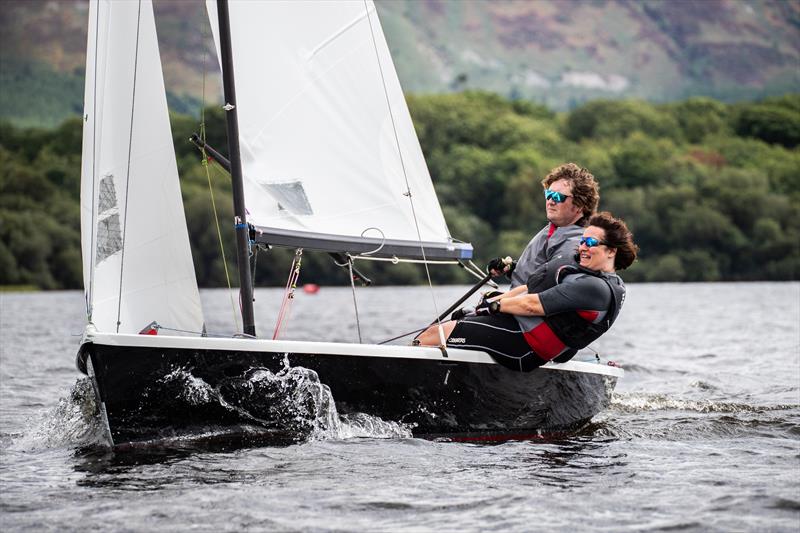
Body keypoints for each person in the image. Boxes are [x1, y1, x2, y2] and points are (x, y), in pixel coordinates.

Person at [416, 212, 638, 371]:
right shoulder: (583, 273)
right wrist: (496, 300)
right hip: (520, 331)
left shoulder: (594, 288)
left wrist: (494, 306)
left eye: (590, 242)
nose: (582, 247)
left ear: (611, 252)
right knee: (459, 318)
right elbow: (531, 288)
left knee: (434, 335)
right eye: (581, 241)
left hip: (524, 346)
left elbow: (532, 304)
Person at [483, 162, 600, 308]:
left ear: (579, 205)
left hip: (526, 316)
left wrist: (497, 302)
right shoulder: (554, 228)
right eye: (548, 194)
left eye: (558, 197)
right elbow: (537, 272)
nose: (550, 201)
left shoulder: (575, 242)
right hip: (516, 308)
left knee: (450, 329)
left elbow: (545, 288)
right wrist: (512, 268)